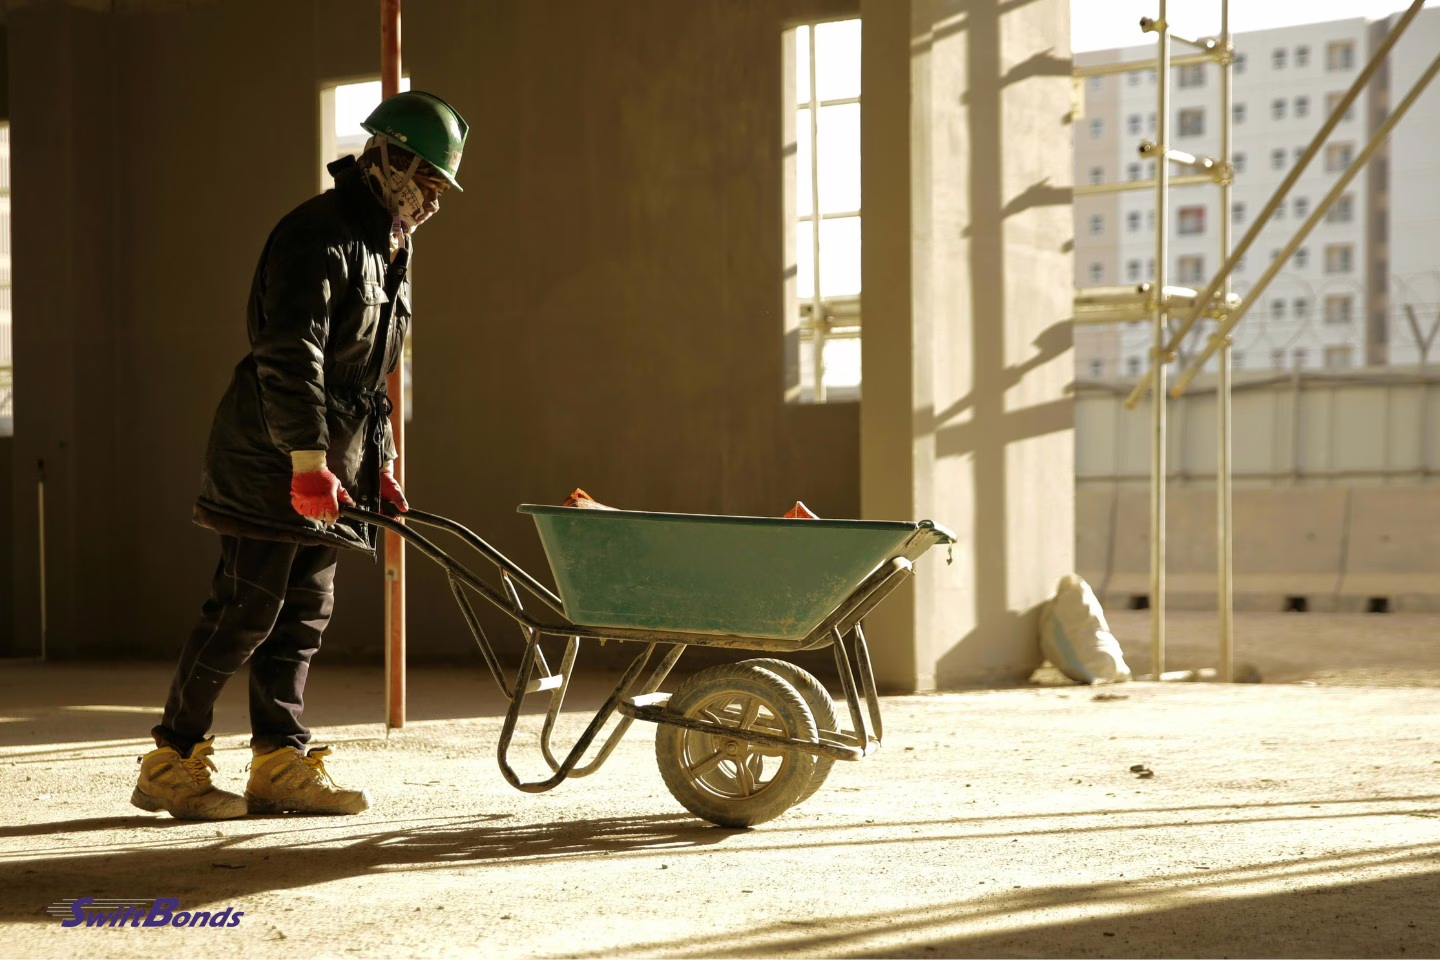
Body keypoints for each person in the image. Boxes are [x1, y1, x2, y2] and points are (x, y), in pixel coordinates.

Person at [131, 91, 468, 820]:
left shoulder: (388, 245)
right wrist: (306, 459)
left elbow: (368, 378)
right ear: (389, 158)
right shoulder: (320, 234)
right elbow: (291, 354)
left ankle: (278, 761)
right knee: (244, 610)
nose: (433, 198)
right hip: (270, 455)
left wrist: (377, 463)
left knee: (306, 613)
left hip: (330, 459)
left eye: (442, 187)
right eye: (429, 180)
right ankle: (172, 760)